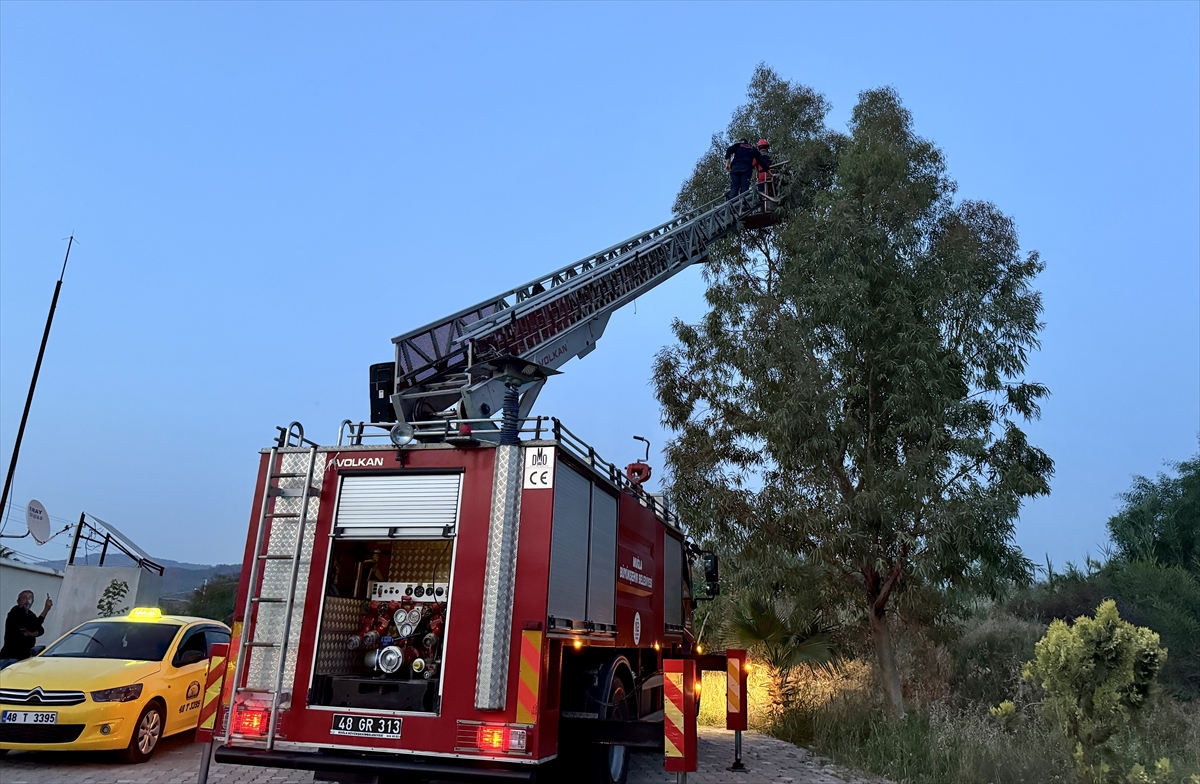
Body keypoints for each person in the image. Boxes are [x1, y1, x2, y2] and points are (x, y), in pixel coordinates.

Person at [0, 590, 53, 669]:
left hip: (24, 658)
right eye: (24, 598)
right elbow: (33, 625)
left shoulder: (31, 615)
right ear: (18, 601)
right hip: (10, 657)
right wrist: (46, 610)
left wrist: (31, 634)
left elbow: (41, 629)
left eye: (30, 598)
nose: (27, 600)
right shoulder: (15, 611)